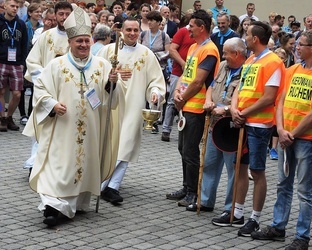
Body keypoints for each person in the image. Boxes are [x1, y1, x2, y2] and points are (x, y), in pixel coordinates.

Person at [24, 6, 119, 227]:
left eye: (87, 41)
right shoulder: (56, 65)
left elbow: (112, 99)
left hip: (91, 130)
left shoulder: (103, 65)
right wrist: (52, 104)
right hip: (61, 127)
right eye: (79, 41)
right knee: (58, 166)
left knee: (82, 166)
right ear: (70, 42)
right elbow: (41, 90)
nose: (84, 45)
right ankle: (52, 206)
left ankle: (72, 205)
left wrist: (111, 84)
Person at [251, 29, 312, 250]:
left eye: (301, 45)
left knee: (304, 190)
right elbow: (280, 102)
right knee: (283, 184)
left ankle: (302, 236)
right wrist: (280, 129)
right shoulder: (292, 70)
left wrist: (292, 134)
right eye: (297, 44)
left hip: (306, 140)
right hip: (285, 136)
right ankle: (278, 227)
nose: (296, 47)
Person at [97, 17, 166, 205]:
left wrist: (155, 93)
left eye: (136, 30)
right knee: (108, 144)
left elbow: (156, 81)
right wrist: (113, 76)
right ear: (121, 31)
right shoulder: (109, 51)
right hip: (110, 105)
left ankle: (111, 186)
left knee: (126, 144)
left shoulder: (146, 54)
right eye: (128, 30)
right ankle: (102, 182)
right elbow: (95, 74)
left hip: (133, 107)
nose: (132, 34)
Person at [228, 21, 285, 237]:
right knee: (239, 167)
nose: (245, 37)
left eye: (247, 34)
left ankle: (255, 218)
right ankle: (238, 212)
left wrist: (244, 112)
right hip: (242, 120)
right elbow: (239, 89)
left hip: (259, 125)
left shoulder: (273, 62)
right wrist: (234, 109)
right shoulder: (251, 60)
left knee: (257, 171)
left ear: (255, 39)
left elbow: (269, 97)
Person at [185, 37, 246, 217]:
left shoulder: (247, 71)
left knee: (232, 169)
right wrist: (208, 100)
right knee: (209, 163)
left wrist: (226, 108)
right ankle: (205, 200)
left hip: (231, 125)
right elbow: (211, 86)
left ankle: (230, 208)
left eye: (226, 52)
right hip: (213, 122)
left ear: (237, 53)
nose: (223, 55)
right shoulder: (223, 66)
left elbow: (244, 96)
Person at [167, 9, 220, 207]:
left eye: (191, 26)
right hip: (185, 104)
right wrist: (176, 93)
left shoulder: (210, 50)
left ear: (202, 27)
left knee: (190, 150)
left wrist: (182, 99)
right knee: (183, 148)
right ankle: (186, 186)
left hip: (196, 108)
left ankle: (193, 191)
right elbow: (186, 75)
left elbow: (199, 82)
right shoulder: (194, 47)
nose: (188, 29)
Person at [23, 1, 72, 176]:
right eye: (61, 14)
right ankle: (34, 165)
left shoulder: (76, 38)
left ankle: (55, 166)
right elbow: (32, 61)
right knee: (41, 127)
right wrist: (45, 76)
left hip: (67, 91)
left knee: (62, 129)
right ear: (55, 15)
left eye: (68, 14)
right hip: (45, 89)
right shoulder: (46, 36)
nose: (64, 18)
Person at [160, 22, 195, 142]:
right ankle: (166, 130)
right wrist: (182, 63)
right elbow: (172, 50)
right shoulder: (182, 32)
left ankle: (186, 131)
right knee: (172, 100)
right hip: (178, 72)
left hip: (193, 75)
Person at [0, 0, 28, 132]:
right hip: (1, 61)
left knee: (17, 94)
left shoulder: (21, 24)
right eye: (12, 6)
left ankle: (9, 116)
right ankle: (2, 117)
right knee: (0, 92)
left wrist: (22, 62)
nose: (15, 9)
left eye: (17, 6)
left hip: (16, 63)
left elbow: (24, 44)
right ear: (5, 6)